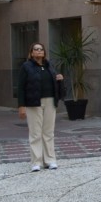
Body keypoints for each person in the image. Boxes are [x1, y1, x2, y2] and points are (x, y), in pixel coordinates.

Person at [16, 42, 64, 172]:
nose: (38, 51)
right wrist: (21, 106)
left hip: (50, 101)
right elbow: (20, 87)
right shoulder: (26, 67)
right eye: (36, 49)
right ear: (31, 53)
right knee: (35, 133)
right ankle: (36, 161)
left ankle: (50, 160)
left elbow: (54, 81)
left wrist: (59, 79)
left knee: (48, 132)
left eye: (41, 49)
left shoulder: (49, 66)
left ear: (44, 52)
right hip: (33, 102)